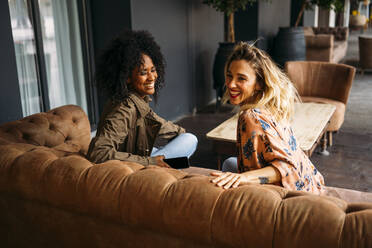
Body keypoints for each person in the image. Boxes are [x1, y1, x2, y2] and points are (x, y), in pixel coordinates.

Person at [210, 42, 325, 195]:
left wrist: (243, 178)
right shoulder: (273, 107)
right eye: (229, 76)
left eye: (241, 79)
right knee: (229, 163)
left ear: (258, 83)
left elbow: (287, 167)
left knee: (228, 169)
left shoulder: (250, 117)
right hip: (312, 185)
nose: (231, 84)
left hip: (292, 198)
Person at [87, 30, 197, 167]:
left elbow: (159, 124)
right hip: (131, 169)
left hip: (135, 157)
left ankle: (169, 169)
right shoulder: (125, 108)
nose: (152, 77)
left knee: (187, 139)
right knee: (190, 141)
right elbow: (98, 152)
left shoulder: (137, 100)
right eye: (143, 72)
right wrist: (151, 161)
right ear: (126, 77)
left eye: (153, 70)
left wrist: (180, 133)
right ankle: (161, 171)